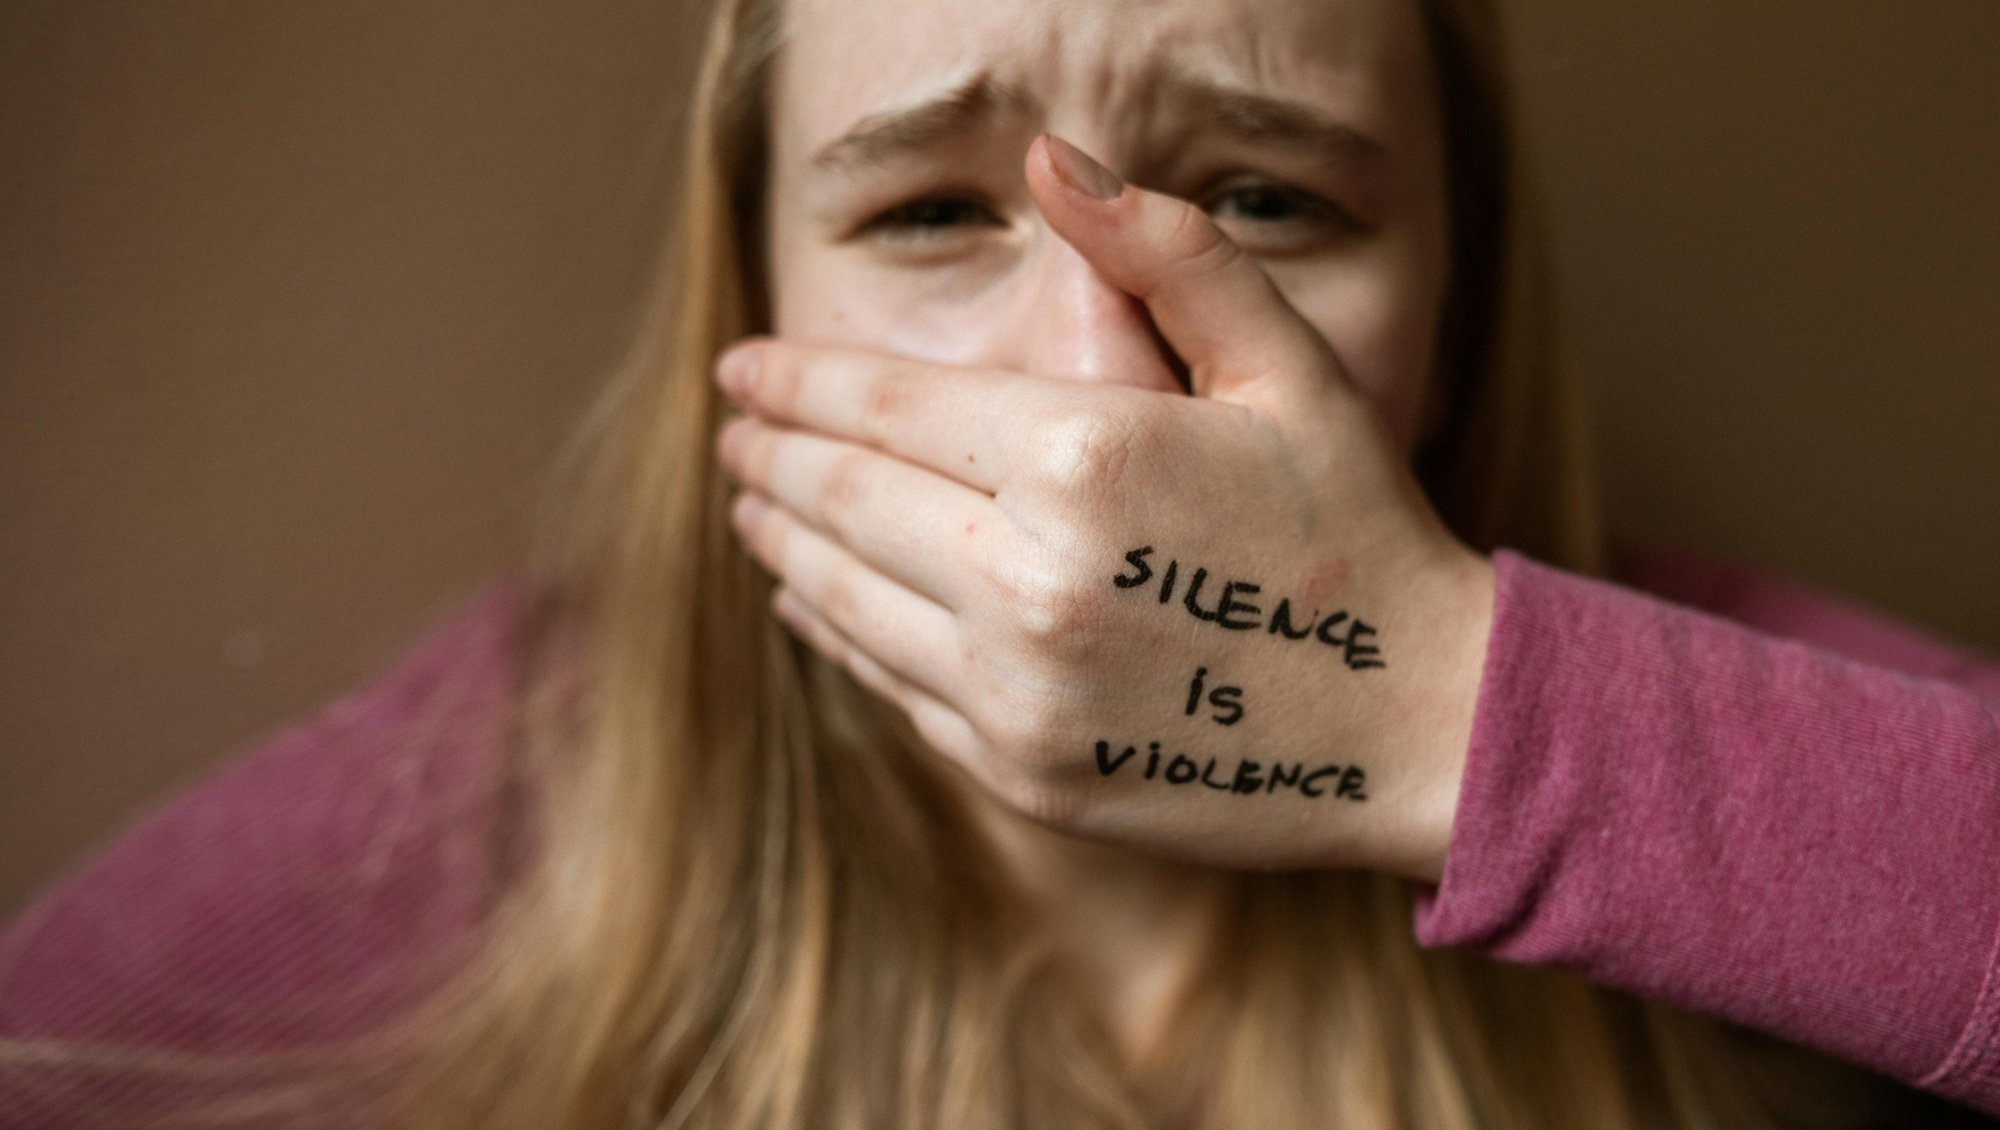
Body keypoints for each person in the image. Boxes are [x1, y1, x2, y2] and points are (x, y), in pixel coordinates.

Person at [2, 0, 1997, 1126]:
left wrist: (1463, 717)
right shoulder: (468, 828)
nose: (1092, 400)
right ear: (749, 294)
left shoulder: (1741, 729)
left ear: (1458, 305)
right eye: (929, 215)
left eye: (1263, 200)